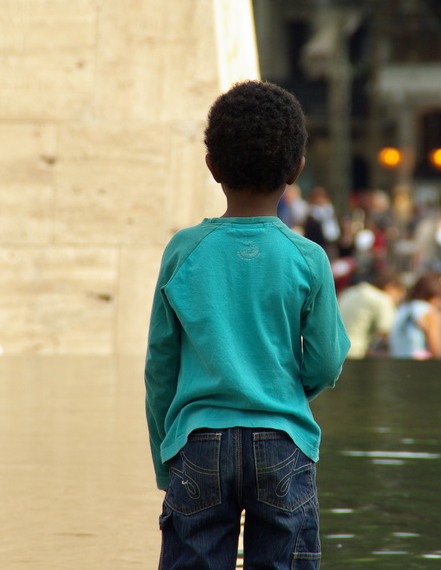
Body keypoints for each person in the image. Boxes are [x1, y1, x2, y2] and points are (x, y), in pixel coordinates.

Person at [144, 81, 350, 569]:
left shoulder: (184, 250)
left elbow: (160, 366)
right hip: (283, 438)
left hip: (197, 444)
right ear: (296, 169)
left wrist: (165, 456)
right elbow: (326, 361)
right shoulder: (308, 258)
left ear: (212, 166)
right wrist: (283, 397)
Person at [338, 272, 406, 359]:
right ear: (390, 287)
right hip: (355, 352)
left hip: (334, 349)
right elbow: (389, 333)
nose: (397, 300)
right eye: (399, 295)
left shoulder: (349, 292)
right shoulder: (382, 299)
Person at [388, 272, 441, 359]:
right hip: (417, 367)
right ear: (435, 296)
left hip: (396, 364)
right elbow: (436, 352)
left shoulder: (403, 309)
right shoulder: (428, 311)